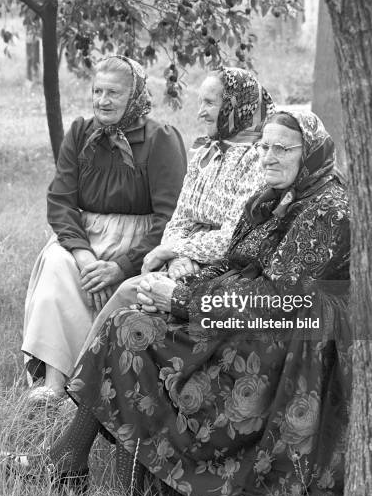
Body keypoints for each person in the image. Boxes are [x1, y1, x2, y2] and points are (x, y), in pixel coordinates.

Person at [35, 111, 351, 496]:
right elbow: (235, 260)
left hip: (287, 341)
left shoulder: (328, 208)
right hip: (239, 315)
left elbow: (278, 299)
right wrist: (175, 288)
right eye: (265, 147)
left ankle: (105, 477)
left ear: (311, 152)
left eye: (282, 149)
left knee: (134, 332)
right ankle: (88, 469)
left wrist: (182, 302)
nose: (268, 157)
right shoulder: (272, 197)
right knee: (129, 321)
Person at [75, 66, 275, 361]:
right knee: (135, 295)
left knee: (132, 293)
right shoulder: (206, 153)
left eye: (209, 103)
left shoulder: (259, 160)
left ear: (234, 105)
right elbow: (178, 219)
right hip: (184, 261)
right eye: (200, 103)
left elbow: (234, 235)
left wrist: (179, 252)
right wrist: (178, 257)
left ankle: (83, 384)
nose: (201, 113)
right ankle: (85, 383)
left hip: (226, 270)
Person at [21, 55, 187, 403]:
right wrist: (83, 259)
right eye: (97, 91)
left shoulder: (161, 140)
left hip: (138, 242)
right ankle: (54, 381)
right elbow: (61, 200)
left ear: (136, 96)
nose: (102, 100)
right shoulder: (81, 133)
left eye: (113, 92)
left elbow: (170, 217)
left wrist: (120, 267)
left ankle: (91, 388)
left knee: (124, 292)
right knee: (55, 266)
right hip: (84, 240)